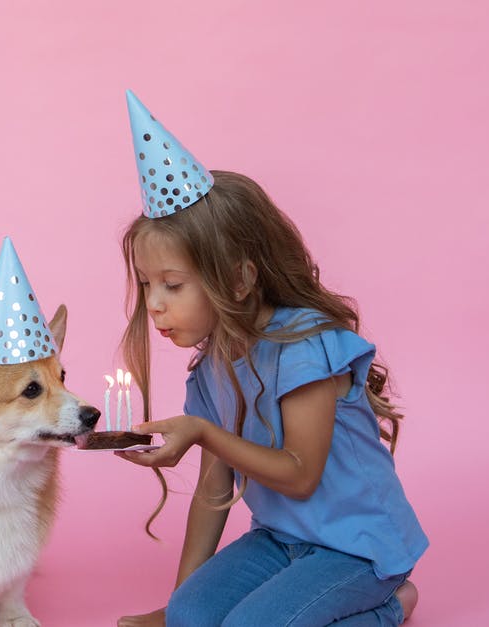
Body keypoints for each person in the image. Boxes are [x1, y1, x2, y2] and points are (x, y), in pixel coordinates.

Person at [113, 91, 428, 627]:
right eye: (147, 286)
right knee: (192, 615)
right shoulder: (209, 372)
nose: (155, 305)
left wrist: (205, 434)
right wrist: (176, 611)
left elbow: (301, 475)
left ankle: (392, 605)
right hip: (280, 541)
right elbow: (215, 489)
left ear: (238, 278)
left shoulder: (305, 346)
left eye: (172, 284)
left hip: (356, 548)